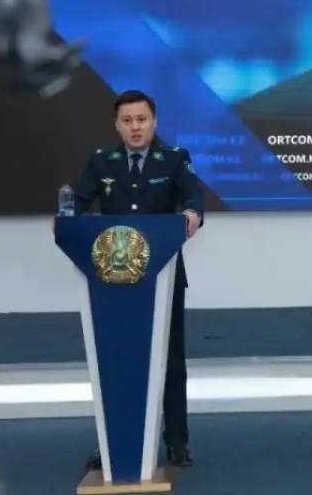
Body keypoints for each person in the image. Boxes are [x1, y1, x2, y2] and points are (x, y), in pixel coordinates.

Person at [71, 89, 204, 468]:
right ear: (117, 125)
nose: (135, 127)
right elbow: (76, 201)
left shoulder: (175, 158)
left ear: (154, 122)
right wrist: (65, 215)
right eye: (127, 120)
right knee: (116, 360)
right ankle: (113, 443)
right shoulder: (102, 162)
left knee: (171, 360)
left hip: (163, 277)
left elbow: (193, 198)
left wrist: (193, 213)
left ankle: (176, 441)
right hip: (112, 284)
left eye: (142, 119)